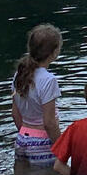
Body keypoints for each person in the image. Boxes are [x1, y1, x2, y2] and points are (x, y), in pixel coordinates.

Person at [11, 23, 63, 167]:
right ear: (54, 53)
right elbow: (49, 123)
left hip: (22, 139)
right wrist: (62, 147)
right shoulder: (49, 80)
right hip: (42, 144)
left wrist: (27, 136)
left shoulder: (18, 75)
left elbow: (15, 114)